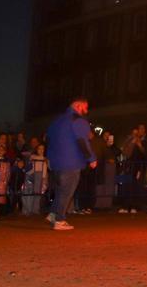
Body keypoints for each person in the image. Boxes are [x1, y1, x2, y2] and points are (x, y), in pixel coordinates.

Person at [46, 97, 97, 230]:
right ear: (77, 106)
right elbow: (82, 141)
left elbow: (48, 140)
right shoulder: (78, 120)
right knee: (66, 192)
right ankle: (59, 220)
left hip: (56, 162)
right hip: (71, 161)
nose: (86, 111)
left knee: (60, 190)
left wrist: (49, 158)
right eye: (85, 107)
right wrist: (91, 158)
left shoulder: (57, 120)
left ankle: (53, 214)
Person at [22, 143, 50, 216]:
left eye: (42, 149)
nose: (41, 150)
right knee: (32, 192)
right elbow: (25, 155)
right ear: (36, 149)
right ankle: (29, 209)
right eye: (39, 149)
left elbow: (45, 169)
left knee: (38, 193)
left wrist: (44, 178)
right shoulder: (33, 157)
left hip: (41, 176)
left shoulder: (45, 158)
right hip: (33, 175)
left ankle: (36, 209)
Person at [96, 132, 119, 210]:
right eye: (105, 136)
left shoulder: (113, 146)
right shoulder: (100, 145)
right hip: (101, 166)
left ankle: (107, 204)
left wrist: (111, 146)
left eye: (108, 136)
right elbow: (99, 154)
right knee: (101, 185)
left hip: (110, 167)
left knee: (109, 185)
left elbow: (118, 153)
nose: (107, 137)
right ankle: (99, 204)